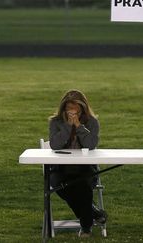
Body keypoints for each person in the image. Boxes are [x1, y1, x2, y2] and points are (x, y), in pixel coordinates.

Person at [48, 89, 107, 237]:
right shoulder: (56, 122)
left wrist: (79, 127)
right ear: (64, 107)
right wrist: (68, 126)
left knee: (82, 186)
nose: (72, 112)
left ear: (82, 107)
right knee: (61, 186)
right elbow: (55, 145)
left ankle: (86, 227)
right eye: (68, 108)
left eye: (75, 108)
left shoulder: (92, 122)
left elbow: (91, 144)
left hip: (85, 167)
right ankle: (94, 213)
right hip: (60, 169)